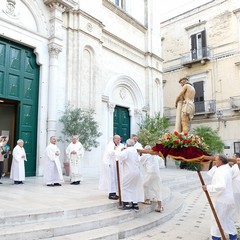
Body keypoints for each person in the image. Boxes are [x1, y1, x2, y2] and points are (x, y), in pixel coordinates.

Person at [202, 154, 237, 240]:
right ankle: (233, 238)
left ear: (220, 161)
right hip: (229, 200)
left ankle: (216, 238)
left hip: (222, 201)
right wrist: (214, 166)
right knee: (228, 220)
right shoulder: (226, 168)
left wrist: (208, 187)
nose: (214, 161)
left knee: (217, 221)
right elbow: (211, 174)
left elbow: (221, 186)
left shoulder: (222, 172)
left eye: (216, 160)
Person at [118, 138, 144, 211]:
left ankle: (126, 204)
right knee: (133, 187)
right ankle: (134, 204)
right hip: (136, 171)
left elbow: (120, 157)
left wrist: (120, 151)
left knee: (125, 186)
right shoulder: (135, 151)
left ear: (127, 144)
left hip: (129, 171)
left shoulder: (127, 150)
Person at [140, 145, 165, 212]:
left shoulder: (145, 156)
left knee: (144, 185)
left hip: (149, 173)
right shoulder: (156, 156)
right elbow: (161, 163)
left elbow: (138, 161)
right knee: (157, 188)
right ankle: (160, 206)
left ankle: (147, 199)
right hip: (157, 173)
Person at [99, 135, 123, 200]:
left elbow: (122, 150)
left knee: (116, 178)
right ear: (114, 139)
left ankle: (115, 192)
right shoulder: (110, 145)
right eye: (118, 140)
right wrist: (117, 150)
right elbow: (112, 153)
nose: (119, 141)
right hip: (110, 164)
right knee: (111, 179)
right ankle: (111, 194)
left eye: (119, 140)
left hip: (116, 164)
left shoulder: (119, 145)